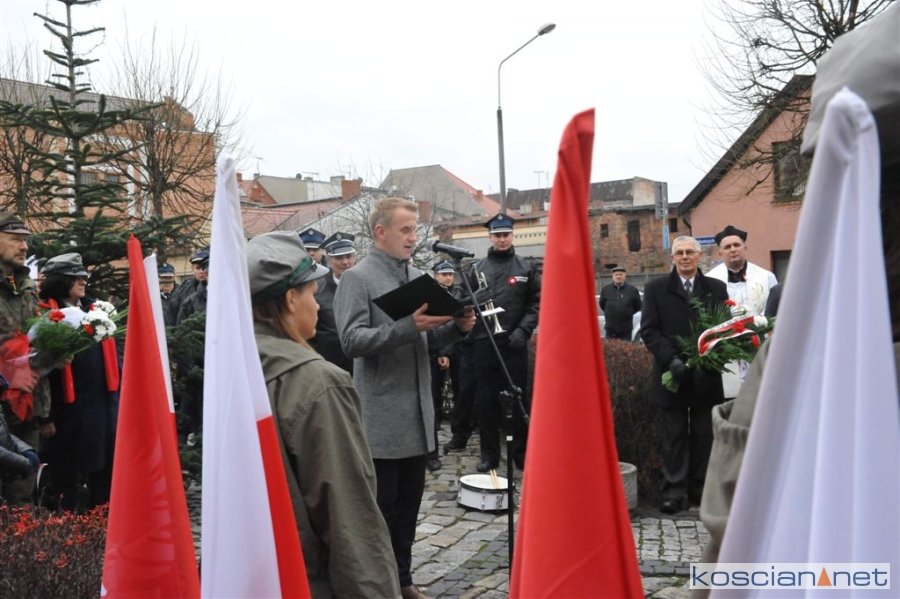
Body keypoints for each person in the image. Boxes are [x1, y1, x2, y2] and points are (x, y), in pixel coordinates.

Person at [698, 1, 900, 573]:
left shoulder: (769, 280)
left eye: (735, 246)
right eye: (724, 247)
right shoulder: (727, 295)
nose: (730, 252)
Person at [334, 197, 475, 599]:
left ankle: (403, 578)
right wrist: (407, 327)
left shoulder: (416, 276)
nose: (414, 237)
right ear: (381, 232)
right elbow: (351, 341)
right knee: (380, 509)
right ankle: (374, 585)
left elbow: (424, 341)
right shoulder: (358, 278)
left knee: (409, 507)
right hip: (381, 416)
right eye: (406, 230)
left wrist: (458, 328)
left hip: (418, 413)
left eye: (415, 229)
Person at [247, 231, 400, 597]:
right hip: (305, 581)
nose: (317, 306)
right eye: (313, 295)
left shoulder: (232, 371)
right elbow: (348, 515)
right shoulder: (317, 383)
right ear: (290, 299)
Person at [639, 235, 728, 514]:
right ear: (673, 257)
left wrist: (706, 359)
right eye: (680, 253)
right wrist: (672, 359)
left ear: (700, 256)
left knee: (704, 436)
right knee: (673, 437)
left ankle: (700, 491)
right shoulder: (655, 289)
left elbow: (723, 329)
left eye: (690, 252)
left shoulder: (715, 288)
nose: (685, 257)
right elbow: (649, 330)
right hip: (671, 374)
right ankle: (674, 492)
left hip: (706, 374)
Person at [39, 252, 119, 510]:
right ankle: (68, 523)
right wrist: (46, 416)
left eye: (83, 276)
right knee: (66, 472)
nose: (83, 281)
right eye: (76, 277)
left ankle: (100, 520)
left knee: (103, 469)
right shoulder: (46, 314)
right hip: (66, 409)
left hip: (101, 404)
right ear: (60, 281)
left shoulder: (96, 310)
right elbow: (40, 370)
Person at [469, 213, 540, 474]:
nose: (501, 239)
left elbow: (536, 303)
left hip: (514, 343)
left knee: (517, 397)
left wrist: (522, 331)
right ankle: (489, 455)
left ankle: (520, 453)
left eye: (505, 234)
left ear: (512, 236)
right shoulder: (477, 268)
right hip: (484, 343)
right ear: (490, 237)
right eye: (497, 235)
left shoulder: (525, 267)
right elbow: (465, 302)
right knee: (485, 400)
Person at [0, 212, 50, 505]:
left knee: (23, 497)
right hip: (2, 407)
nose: (24, 246)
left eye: (25, 240)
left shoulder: (26, 286)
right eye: (15, 239)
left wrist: (55, 354)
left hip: (27, 406)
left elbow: (34, 340)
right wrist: (8, 376)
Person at [707, 226, 778, 399]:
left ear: (745, 248)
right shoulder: (710, 279)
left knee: (760, 396)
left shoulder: (766, 276)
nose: (733, 250)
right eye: (727, 247)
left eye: (736, 245)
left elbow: (775, 310)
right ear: (720, 253)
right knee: (730, 397)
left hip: (760, 345)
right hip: (726, 347)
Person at [425, 260, 461, 472]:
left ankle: (433, 453)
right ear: (436, 275)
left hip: (454, 348)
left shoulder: (458, 292)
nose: (448, 278)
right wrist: (441, 352)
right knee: (431, 400)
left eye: (450, 274)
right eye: (443, 274)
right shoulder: (429, 294)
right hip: (432, 350)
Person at [310, 231, 356, 373]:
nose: (345, 262)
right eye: (339, 258)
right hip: (332, 367)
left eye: (348, 256)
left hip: (365, 365)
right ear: (329, 261)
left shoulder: (369, 285)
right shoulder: (317, 290)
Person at [599, 266, 642, 340]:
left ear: (624, 276)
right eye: (616, 275)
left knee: (626, 347)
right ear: (613, 276)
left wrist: (627, 312)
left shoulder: (632, 290)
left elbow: (638, 305)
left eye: (620, 274)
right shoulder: (606, 289)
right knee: (611, 347)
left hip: (626, 328)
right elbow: (602, 304)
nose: (618, 276)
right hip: (610, 328)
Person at [169, 247, 209, 318]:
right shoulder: (183, 290)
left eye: (205, 268)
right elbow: (173, 313)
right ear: (192, 269)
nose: (202, 271)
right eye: (198, 268)